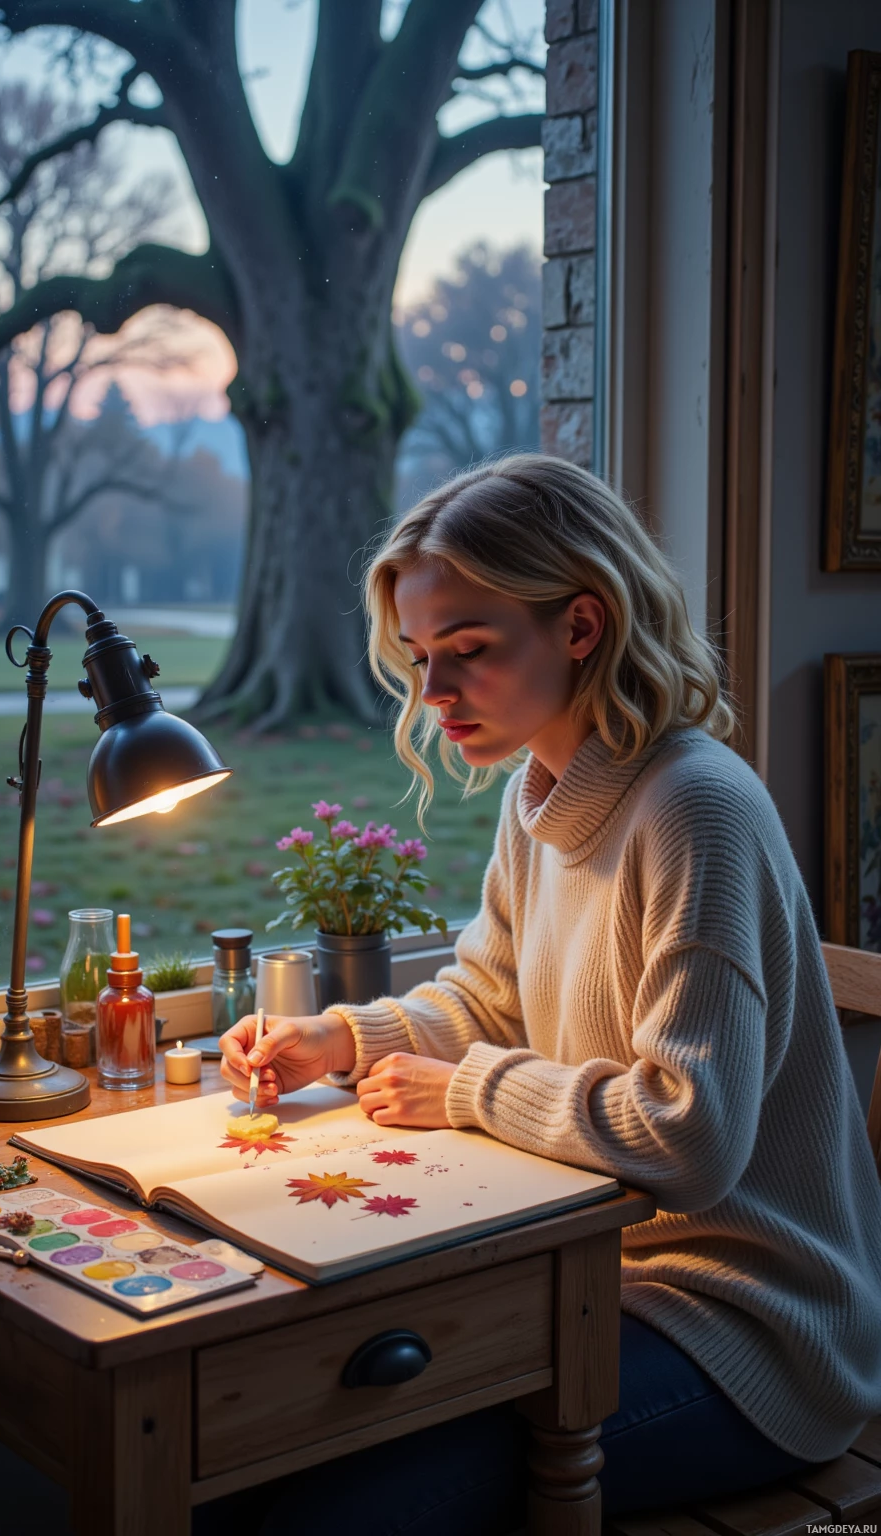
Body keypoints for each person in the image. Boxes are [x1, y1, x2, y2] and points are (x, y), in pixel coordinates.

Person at [218, 455, 881, 1535]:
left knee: (332, 1513)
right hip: (585, 1278)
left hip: (750, 1330)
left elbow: (690, 1137)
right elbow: (485, 998)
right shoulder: (541, 790)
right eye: (422, 658)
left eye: (468, 654)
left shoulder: (694, 810)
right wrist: (339, 1038)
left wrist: (465, 1090)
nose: (433, 697)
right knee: (250, 1464)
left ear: (581, 625)